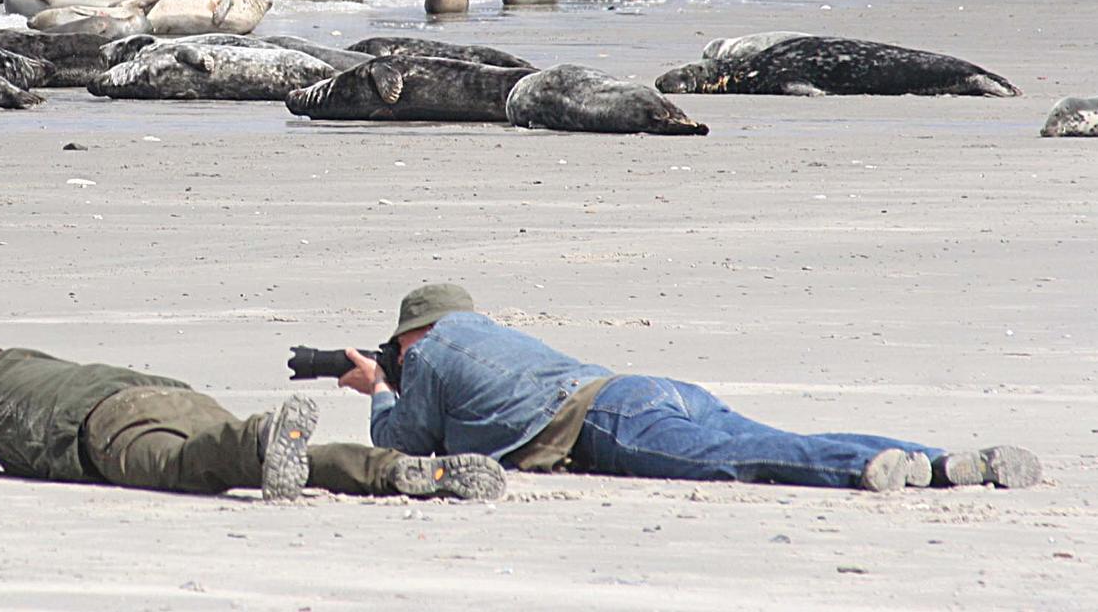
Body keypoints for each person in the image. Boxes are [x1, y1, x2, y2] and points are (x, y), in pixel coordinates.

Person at [336, 284, 1041, 493]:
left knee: (745, 462)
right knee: (772, 439)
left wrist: (377, 388)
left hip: (603, 420)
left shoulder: (426, 357)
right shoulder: (493, 334)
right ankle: (947, 460)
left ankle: (866, 467)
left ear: (411, 335)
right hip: (644, 386)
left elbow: (405, 448)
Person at [0, 344, 506, 501]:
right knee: (259, 459)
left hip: (110, 424)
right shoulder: (59, 367)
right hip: (171, 394)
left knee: (187, 467)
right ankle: (398, 471)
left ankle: (259, 436)